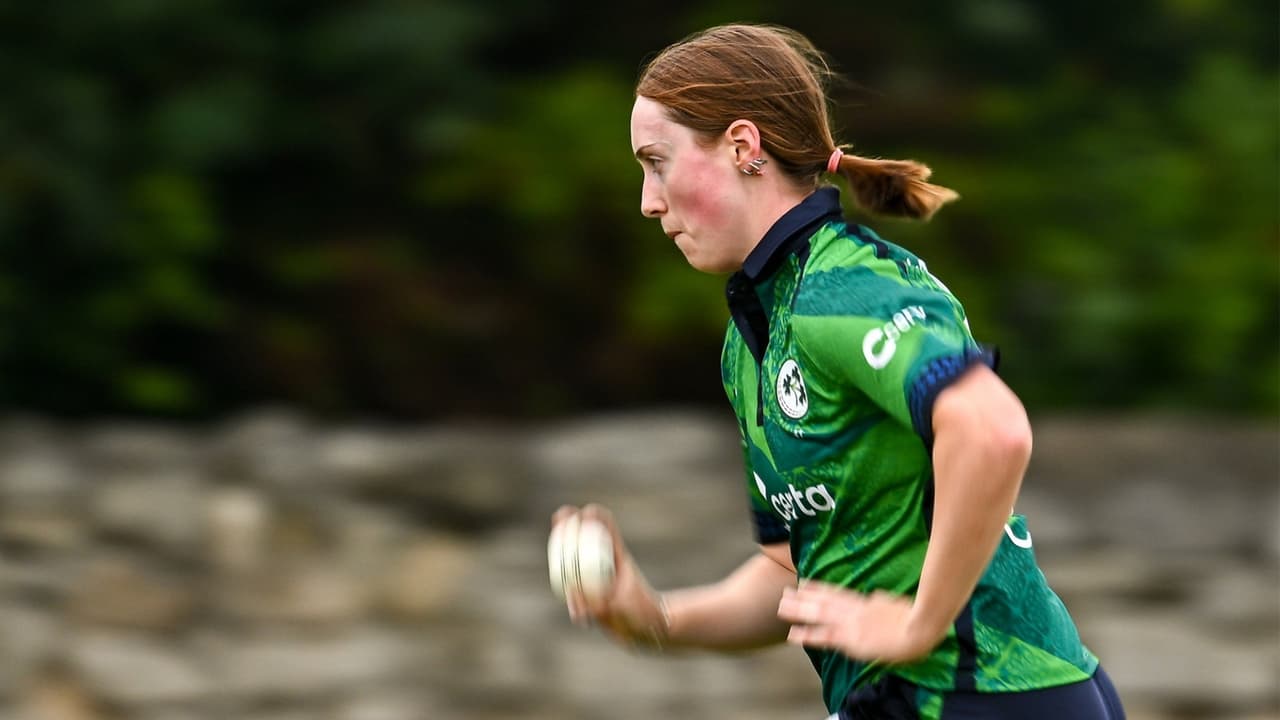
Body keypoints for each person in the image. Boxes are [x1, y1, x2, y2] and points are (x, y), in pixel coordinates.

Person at [551, 23, 1126, 720]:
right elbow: (793, 576)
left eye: (657, 161)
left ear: (742, 146)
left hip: (982, 694)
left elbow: (993, 431)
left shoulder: (842, 286)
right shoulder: (750, 346)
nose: (647, 200)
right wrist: (659, 619)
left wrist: (919, 625)